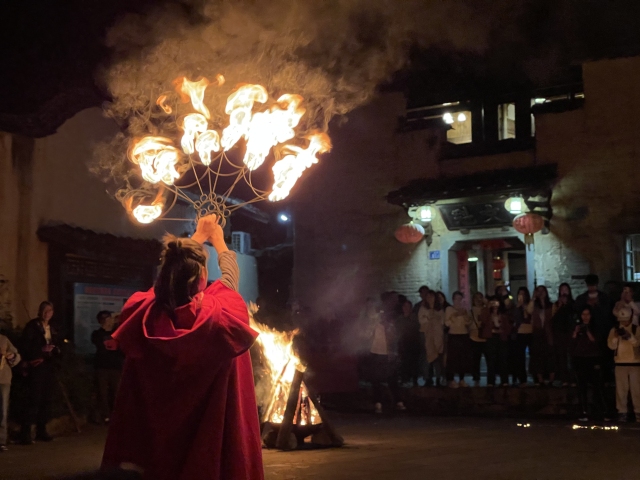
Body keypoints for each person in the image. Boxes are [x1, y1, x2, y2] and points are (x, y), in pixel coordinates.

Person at [101, 216, 264, 480]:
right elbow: (230, 280)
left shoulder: (144, 314)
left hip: (156, 444)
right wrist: (218, 241)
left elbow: (164, 283)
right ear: (202, 276)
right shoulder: (218, 317)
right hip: (206, 440)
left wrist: (196, 238)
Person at [20, 301, 61, 444]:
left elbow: (58, 345)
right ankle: (25, 433)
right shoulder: (32, 326)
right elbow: (25, 346)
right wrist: (40, 351)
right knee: (34, 400)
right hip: (36, 366)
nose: (47, 313)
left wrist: (55, 350)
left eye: (49, 310)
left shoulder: (53, 328)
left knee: (46, 399)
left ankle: (41, 430)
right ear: (40, 311)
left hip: (48, 367)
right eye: (45, 310)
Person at [370, 292, 406, 413]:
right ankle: (378, 403)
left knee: (393, 378)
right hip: (376, 352)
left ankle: (398, 401)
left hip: (389, 353)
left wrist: (393, 351)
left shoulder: (391, 321)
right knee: (377, 379)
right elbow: (365, 335)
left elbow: (394, 336)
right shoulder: (373, 322)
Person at [571, 306, 608, 421]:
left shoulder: (596, 327)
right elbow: (572, 342)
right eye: (583, 314)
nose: (585, 317)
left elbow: (595, 341)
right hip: (580, 358)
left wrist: (587, 331)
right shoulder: (577, 327)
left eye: (587, 314)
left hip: (593, 358)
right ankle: (584, 411)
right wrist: (576, 332)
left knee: (598, 386)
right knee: (581, 386)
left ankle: (603, 411)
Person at [607, 306, 640, 423]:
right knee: (621, 390)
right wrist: (616, 338)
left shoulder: (637, 329)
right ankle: (622, 412)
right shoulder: (614, 330)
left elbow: (637, 344)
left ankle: (638, 412)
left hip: (635, 364)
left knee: (637, 390)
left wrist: (630, 337)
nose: (624, 323)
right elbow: (611, 346)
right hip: (620, 363)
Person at [91, 311, 124, 425]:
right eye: (107, 318)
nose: (110, 320)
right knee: (102, 393)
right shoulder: (97, 334)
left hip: (116, 367)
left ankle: (117, 416)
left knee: (116, 392)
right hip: (102, 367)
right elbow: (99, 344)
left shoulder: (118, 332)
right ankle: (106, 416)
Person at [480, 296, 512, 386]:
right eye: (492, 303)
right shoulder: (487, 313)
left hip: (501, 338)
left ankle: (504, 380)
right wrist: (487, 306)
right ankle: (491, 381)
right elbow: (482, 319)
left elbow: (508, 326)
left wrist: (503, 330)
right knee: (491, 360)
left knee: (503, 360)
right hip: (491, 338)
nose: (495, 305)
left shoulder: (503, 314)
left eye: (496, 302)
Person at [528, 286, 555, 386]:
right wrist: (533, 298)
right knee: (537, 356)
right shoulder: (534, 305)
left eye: (542, 291)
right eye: (538, 291)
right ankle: (540, 379)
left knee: (550, 356)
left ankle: (551, 379)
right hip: (537, 333)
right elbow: (529, 310)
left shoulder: (551, 305)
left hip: (548, 333)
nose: (540, 293)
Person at [444, 291, 471, 388]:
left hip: (463, 335)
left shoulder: (464, 310)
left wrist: (465, 315)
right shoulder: (449, 309)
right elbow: (447, 323)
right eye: (456, 299)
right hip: (453, 335)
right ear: (453, 299)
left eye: (460, 299)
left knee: (462, 358)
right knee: (452, 359)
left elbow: (468, 322)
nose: (458, 301)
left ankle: (462, 379)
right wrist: (455, 315)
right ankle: (450, 379)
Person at [418, 291, 445, 387]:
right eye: (428, 296)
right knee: (427, 356)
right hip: (426, 334)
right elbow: (421, 320)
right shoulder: (423, 308)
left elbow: (442, 321)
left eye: (432, 296)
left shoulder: (439, 309)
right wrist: (430, 318)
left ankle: (438, 378)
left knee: (437, 356)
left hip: (437, 334)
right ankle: (428, 378)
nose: (430, 298)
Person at [551, 283, 575, 386]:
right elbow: (553, 319)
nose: (564, 292)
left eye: (566, 289)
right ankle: (564, 379)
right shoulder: (556, 305)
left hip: (570, 332)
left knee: (571, 357)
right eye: (562, 290)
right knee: (562, 357)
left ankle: (573, 379)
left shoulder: (573, 304)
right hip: (560, 333)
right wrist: (560, 306)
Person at [0, 333, 21, 452]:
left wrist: (11, 356)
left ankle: (1, 441)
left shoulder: (3, 339)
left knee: (2, 411)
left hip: (3, 379)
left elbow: (16, 356)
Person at [396, 300, 421, 387]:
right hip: (403, 344)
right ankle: (404, 379)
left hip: (413, 343)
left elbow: (416, 328)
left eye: (408, 307)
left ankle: (414, 380)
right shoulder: (399, 319)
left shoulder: (415, 318)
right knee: (404, 362)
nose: (406, 309)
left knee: (414, 363)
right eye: (404, 306)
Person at [512, 287, 532, 386]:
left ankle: (536, 376)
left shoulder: (530, 305)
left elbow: (529, 316)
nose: (522, 296)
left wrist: (525, 308)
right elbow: (515, 318)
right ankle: (522, 379)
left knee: (533, 355)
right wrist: (518, 307)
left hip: (530, 331)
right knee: (520, 357)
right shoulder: (516, 306)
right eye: (520, 294)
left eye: (523, 294)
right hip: (520, 332)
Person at [469, 292, 487, 387]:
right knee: (475, 359)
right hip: (474, 336)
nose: (478, 300)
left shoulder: (486, 309)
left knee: (488, 359)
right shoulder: (471, 310)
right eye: (476, 298)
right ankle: (476, 376)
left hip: (485, 337)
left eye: (480, 297)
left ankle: (490, 377)